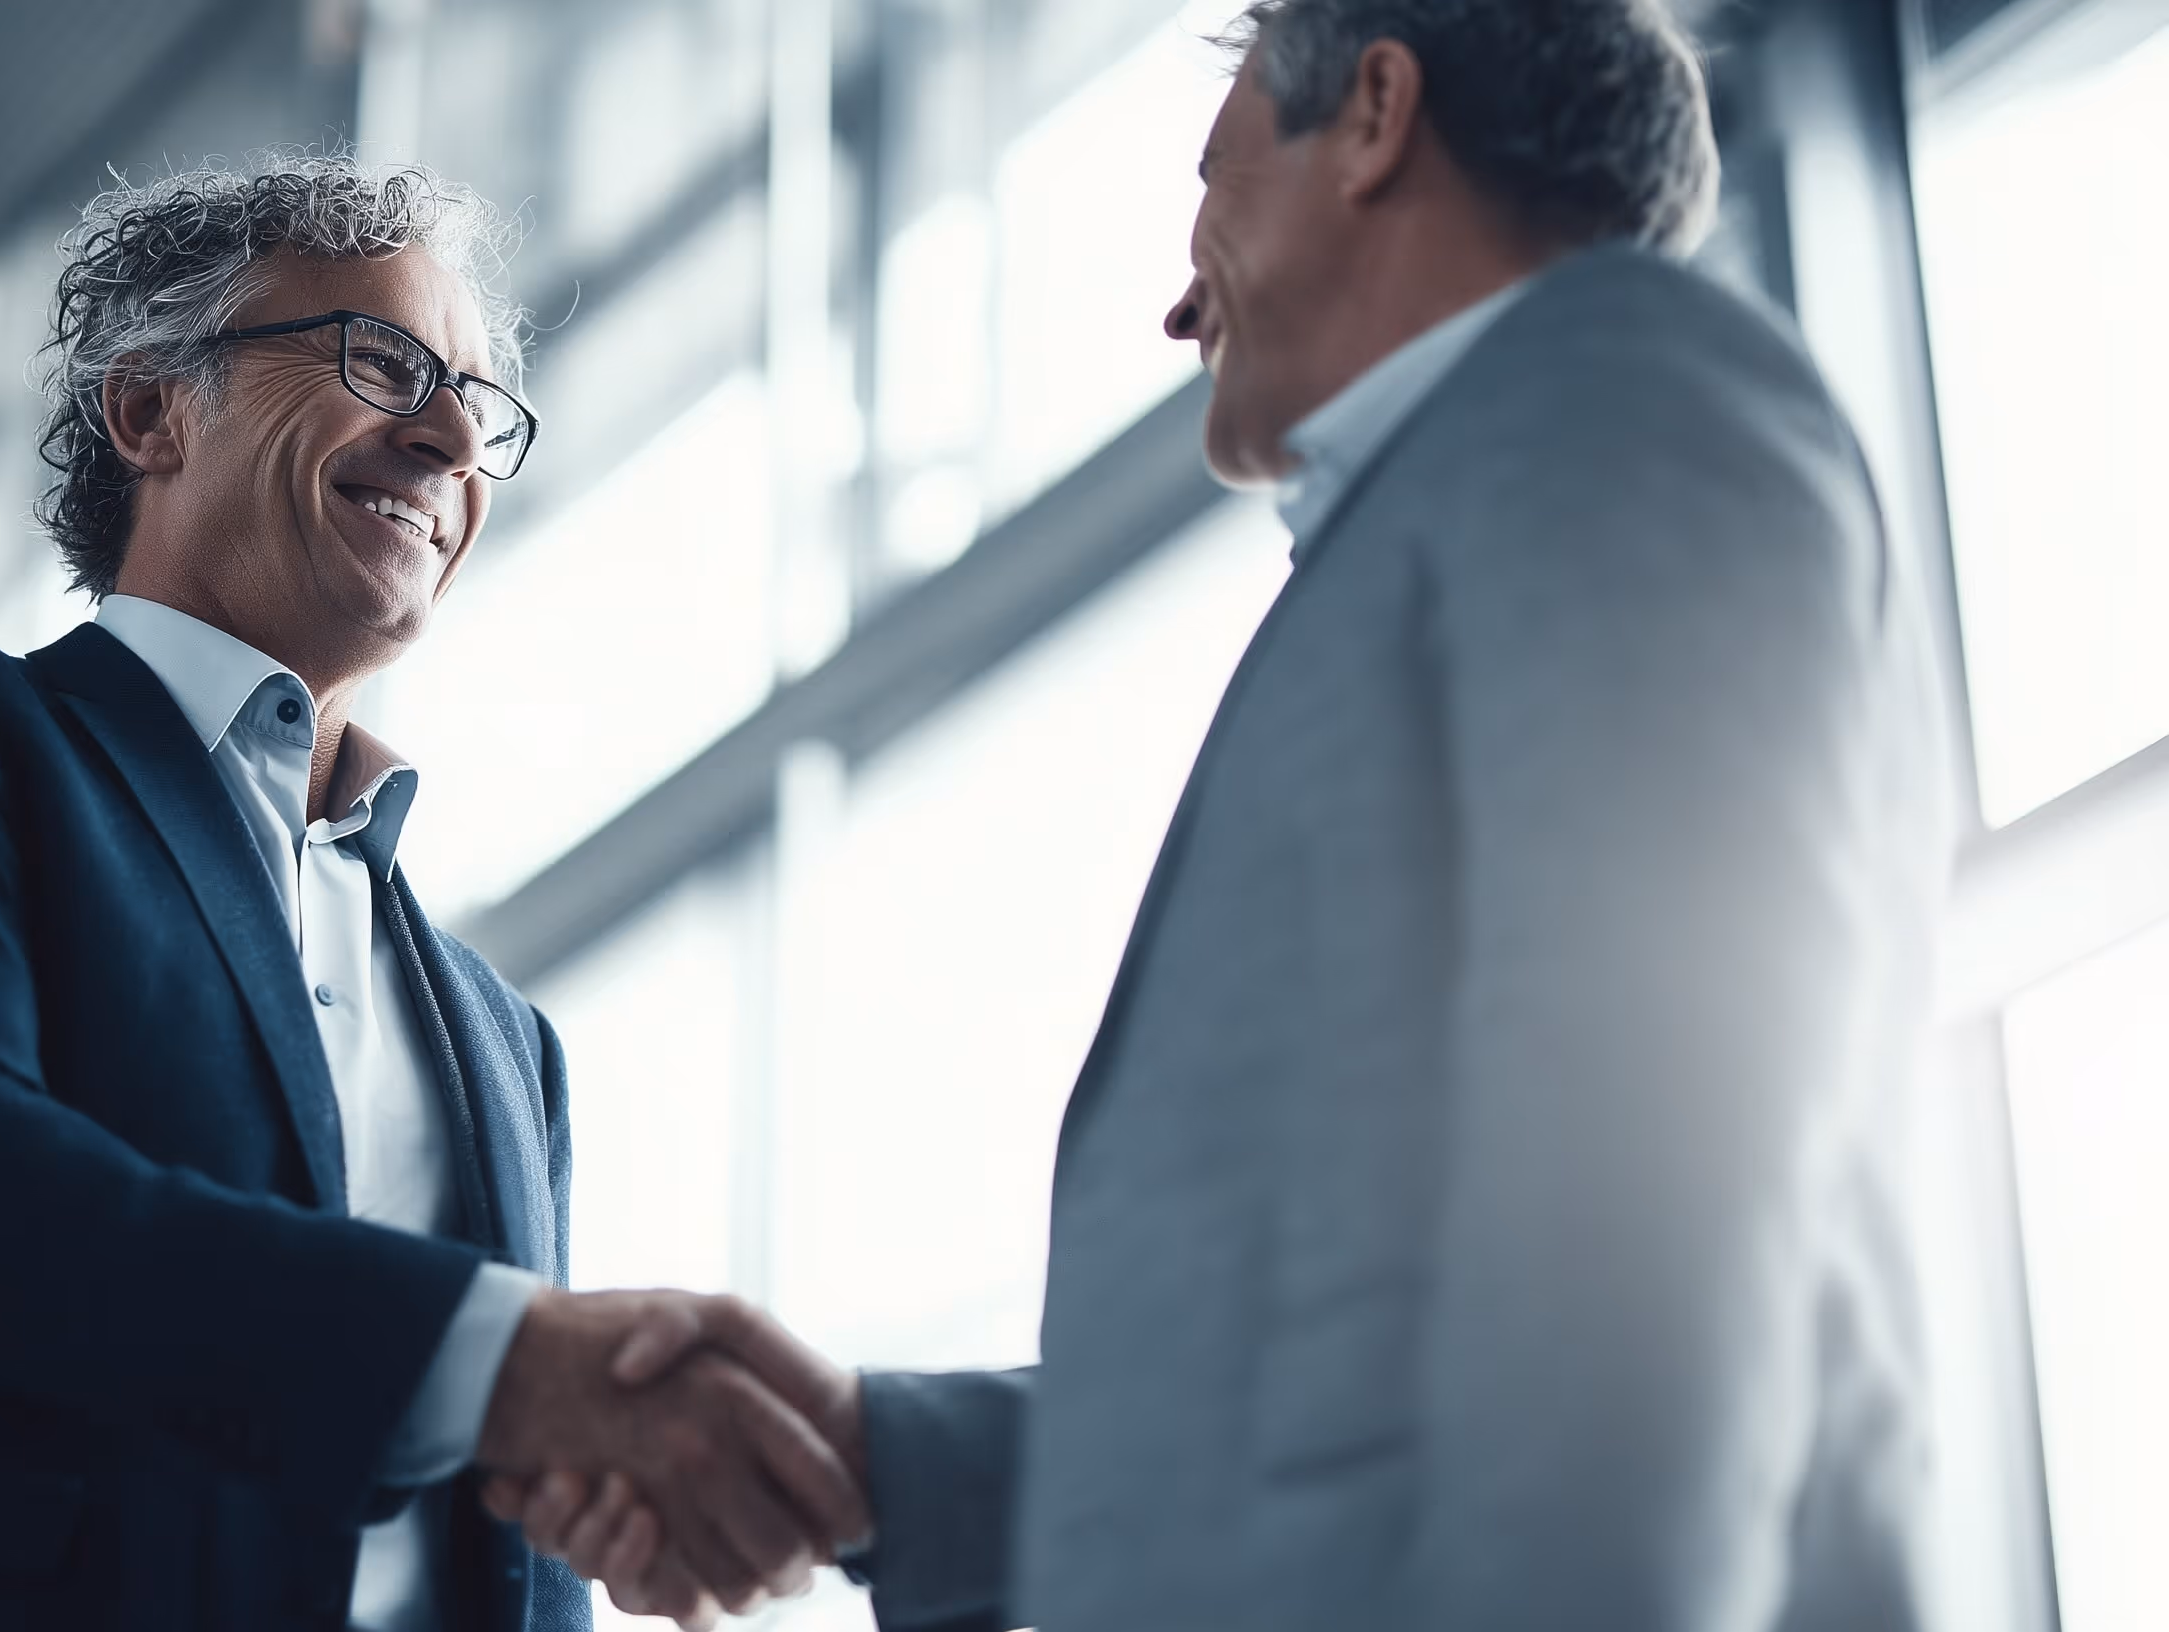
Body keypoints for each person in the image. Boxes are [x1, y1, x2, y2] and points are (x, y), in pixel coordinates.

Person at [500, 0, 1958, 1627]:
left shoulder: (1615, 406)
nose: (1183, 297)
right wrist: (877, 1457)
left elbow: (1650, 1219)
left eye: (1216, 182)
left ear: (1378, 115)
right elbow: (1360, 1379)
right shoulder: (1466, 506)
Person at [0, 155, 864, 1632]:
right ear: (150, 410)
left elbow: (508, 1520)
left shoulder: (511, 1043)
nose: (449, 441)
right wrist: (512, 1367)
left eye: (482, 409)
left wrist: (598, 1455)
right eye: (383, 362)